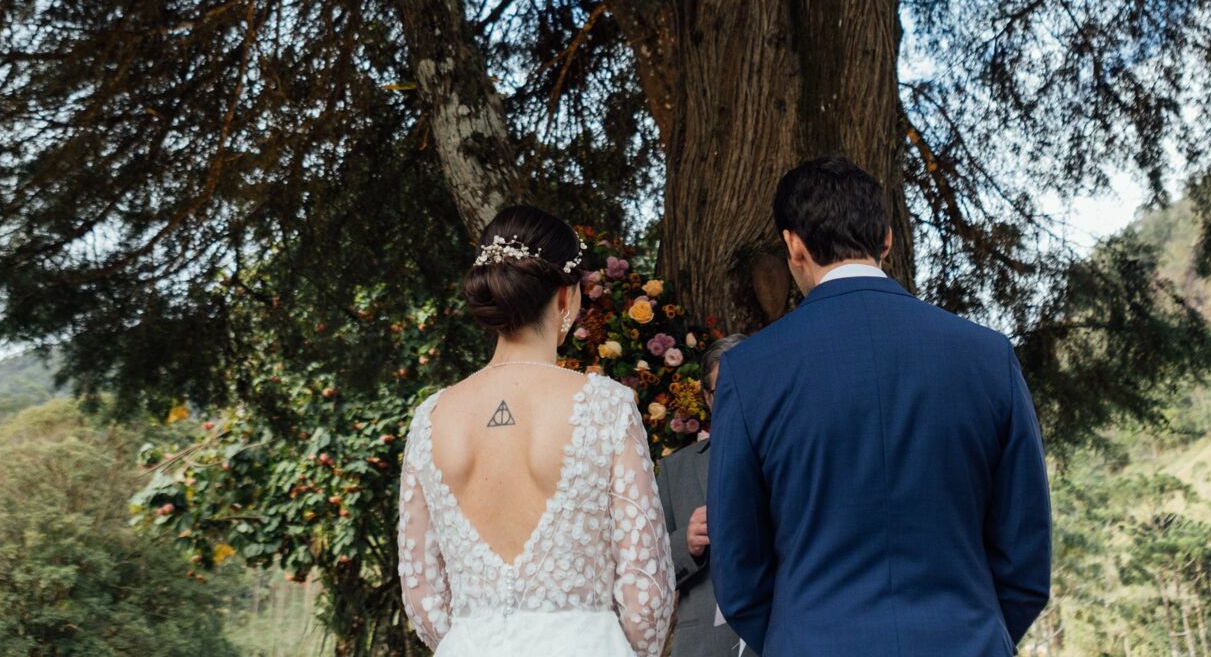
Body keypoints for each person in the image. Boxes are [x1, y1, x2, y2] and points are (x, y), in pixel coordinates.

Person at [707, 157, 1052, 657]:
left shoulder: (750, 372)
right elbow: (1025, 553)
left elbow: (738, 568)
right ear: (887, 239)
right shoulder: (986, 355)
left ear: (793, 247)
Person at [397, 204, 675, 656]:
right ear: (566, 297)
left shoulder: (431, 417)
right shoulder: (606, 406)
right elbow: (647, 592)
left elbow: (422, 596)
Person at [655, 334, 756, 657]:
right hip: (702, 646)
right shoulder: (675, 470)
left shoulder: (795, 458)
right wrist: (687, 543)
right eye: (724, 389)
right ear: (708, 397)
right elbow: (648, 567)